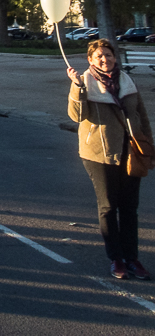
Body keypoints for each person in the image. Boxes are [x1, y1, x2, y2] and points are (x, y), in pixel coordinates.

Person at [67, 38, 153, 281]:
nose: (105, 59)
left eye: (109, 55)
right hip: (98, 154)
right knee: (108, 206)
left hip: (130, 152)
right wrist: (76, 88)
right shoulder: (85, 82)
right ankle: (116, 258)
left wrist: (148, 145)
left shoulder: (127, 81)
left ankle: (132, 258)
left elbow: (141, 115)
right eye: (99, 56)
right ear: (90, 60)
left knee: (129, 208)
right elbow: (76, 115)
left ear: (115, 57)